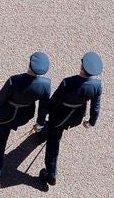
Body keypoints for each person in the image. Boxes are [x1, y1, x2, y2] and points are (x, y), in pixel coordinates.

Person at [0, 51, 51, 190]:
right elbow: (43, 107)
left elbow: (1, 97)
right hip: (23, 116)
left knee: (0, 143)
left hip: (5, 115)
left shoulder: (14, 80)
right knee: (1, 137)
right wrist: (40, 123)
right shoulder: (46, 84)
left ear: (29, 64)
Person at [39, 52, 103, 187]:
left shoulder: (68, 82)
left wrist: (43, 115)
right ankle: (45, 131)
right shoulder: (97, 86)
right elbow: (95, 108)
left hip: (58, 117)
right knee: (54, 131)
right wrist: (91, 122)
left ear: (82, 67)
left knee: (53, 143)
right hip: (75, 118)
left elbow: (54, 101)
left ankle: (51, 174)